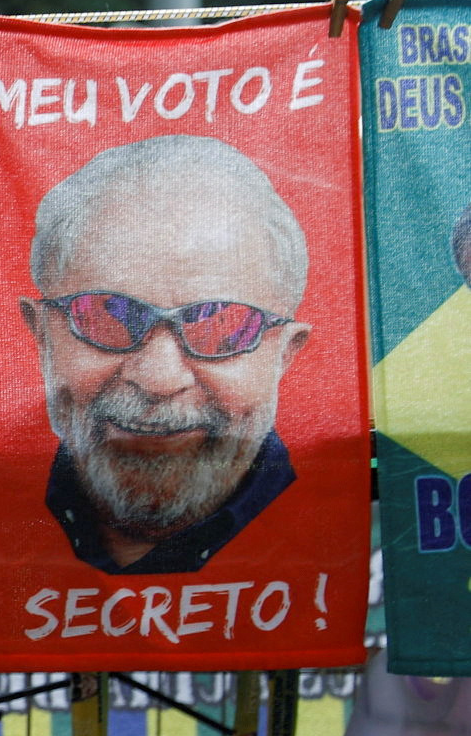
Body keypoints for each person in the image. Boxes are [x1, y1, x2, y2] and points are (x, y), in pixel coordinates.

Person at [20, 135, 310, 573]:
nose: (158, 379)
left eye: (220, 324)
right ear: (42, 335)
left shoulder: (353, 518)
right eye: (107, 315)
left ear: (284, 354)